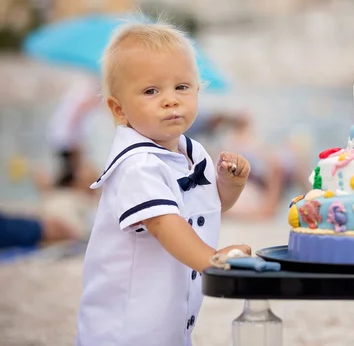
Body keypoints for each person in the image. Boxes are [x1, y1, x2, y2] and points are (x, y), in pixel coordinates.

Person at [75, 20, 252, 346]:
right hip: (123, 330)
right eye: (151, 91)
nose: (170, 100)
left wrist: (229, 185)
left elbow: (207, 207)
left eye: (181, 87)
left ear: (199, 89)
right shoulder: (136, 166)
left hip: (168, 323)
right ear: (119, 109)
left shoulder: (193, 151)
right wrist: (212, 261)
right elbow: (163, 223)